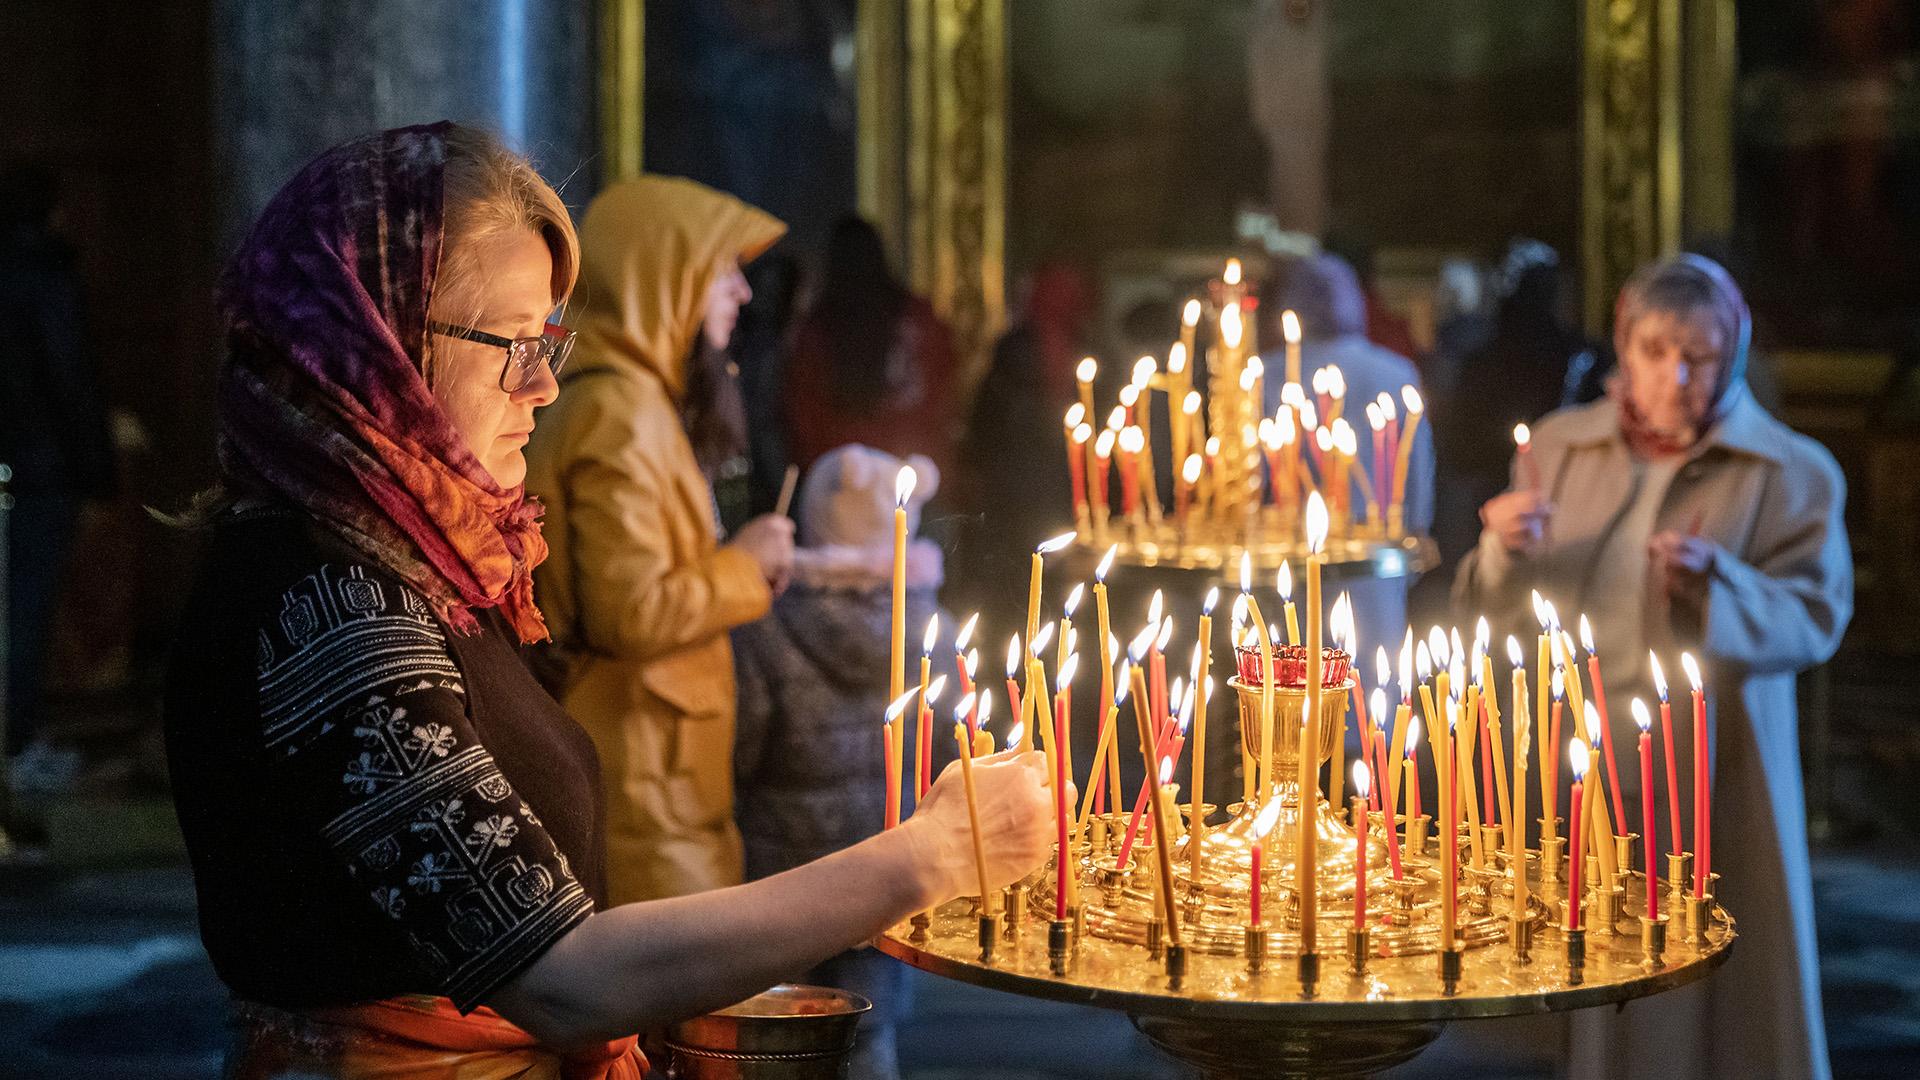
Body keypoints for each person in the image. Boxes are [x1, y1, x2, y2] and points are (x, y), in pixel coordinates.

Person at [164, 124, 1056, 1078]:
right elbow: (559, 976)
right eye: (512, 345)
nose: (545, 385)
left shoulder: (410, 559)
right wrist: (923, 858)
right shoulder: (330, 601)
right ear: (373, 341)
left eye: (550, 338)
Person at [1455, 254, 1848, 1080]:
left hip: (1715, 766)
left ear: (1732, 353)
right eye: (1657, 350)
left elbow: (1816, 615)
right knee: (1587, 962)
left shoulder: (1791, 472)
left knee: (1706, 977)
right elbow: (1488, 612)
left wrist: (1721, 587)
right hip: (1581, 764)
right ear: (1623, 350)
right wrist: (1499, 550)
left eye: (1701, 355)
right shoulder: (1560, 449)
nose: (1678, 376)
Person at [522, 175, 795, 904]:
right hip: (642, 787)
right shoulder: (622, 411)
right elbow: (633, 611)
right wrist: (744, 568)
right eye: (724, 271)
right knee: (669, 1006)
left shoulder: (626, 399)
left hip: (660, 778)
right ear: (660, 276)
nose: (741, 293)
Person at [732, 444, 946, 1080]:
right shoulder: (935, 628)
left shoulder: (764, 627)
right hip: (889, 866)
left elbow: (742, 749)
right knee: (868, 1033)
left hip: (783, 873)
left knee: (779, 1034)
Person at [0, 164, 116, 788]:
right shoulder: (44, 276)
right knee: (23, 611)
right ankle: (14, 745)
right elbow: (68, 378)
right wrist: (97, 470)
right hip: (41, 470)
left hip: (19, 463)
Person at [1260, 253, 1434, 656]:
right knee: (1368, 684)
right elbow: (1418, 477)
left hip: (1297, 559)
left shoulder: (1269, 374)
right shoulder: (1394, 371)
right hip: (1369, 560)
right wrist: (1413, 537)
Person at [951, 259, 1100, 617]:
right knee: (1023, 580)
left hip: (1050, 485)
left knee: (1051, 578)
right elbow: (990, 420)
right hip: (1022, 486)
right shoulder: (1016, 349)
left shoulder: (1080, 344)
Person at [784, 217, 958, 479]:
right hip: (910, 467)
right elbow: (945, 389)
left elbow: (804, 417)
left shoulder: (818, 330)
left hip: (846, 475)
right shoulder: (918, 318)